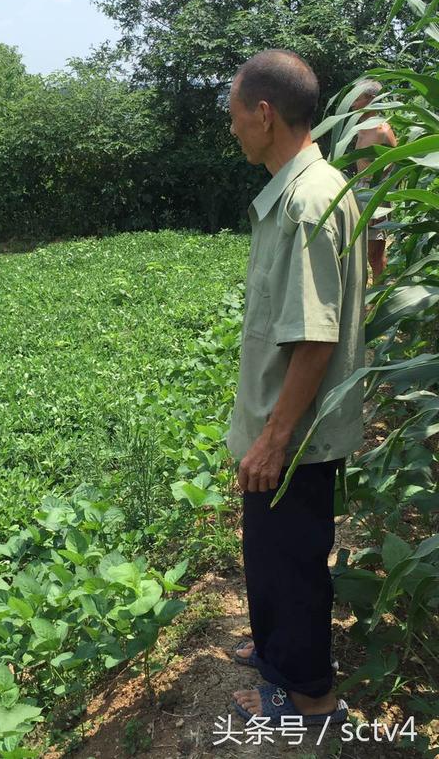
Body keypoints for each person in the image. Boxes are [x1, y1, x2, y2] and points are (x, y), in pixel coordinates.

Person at [225, 49, 367, 727]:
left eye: (234, 115)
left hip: (295, 437)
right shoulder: (305, 189)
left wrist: (274, 440)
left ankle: (311, 693)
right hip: (281, 428)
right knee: (271, 553)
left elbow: (316, 338)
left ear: (264, 113)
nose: (232, 130)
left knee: (295, 562)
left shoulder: (306, 203)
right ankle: (277, 650)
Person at [350, 80, 397, 283]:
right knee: (358, 253)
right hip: (358, 192)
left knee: (375, 256)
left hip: (375, 195)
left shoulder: (382, 130)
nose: (352, 104)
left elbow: (398, 164)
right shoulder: (360, 128)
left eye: (356, 99)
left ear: (370, 99)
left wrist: (380, 199)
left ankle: (379, 303)